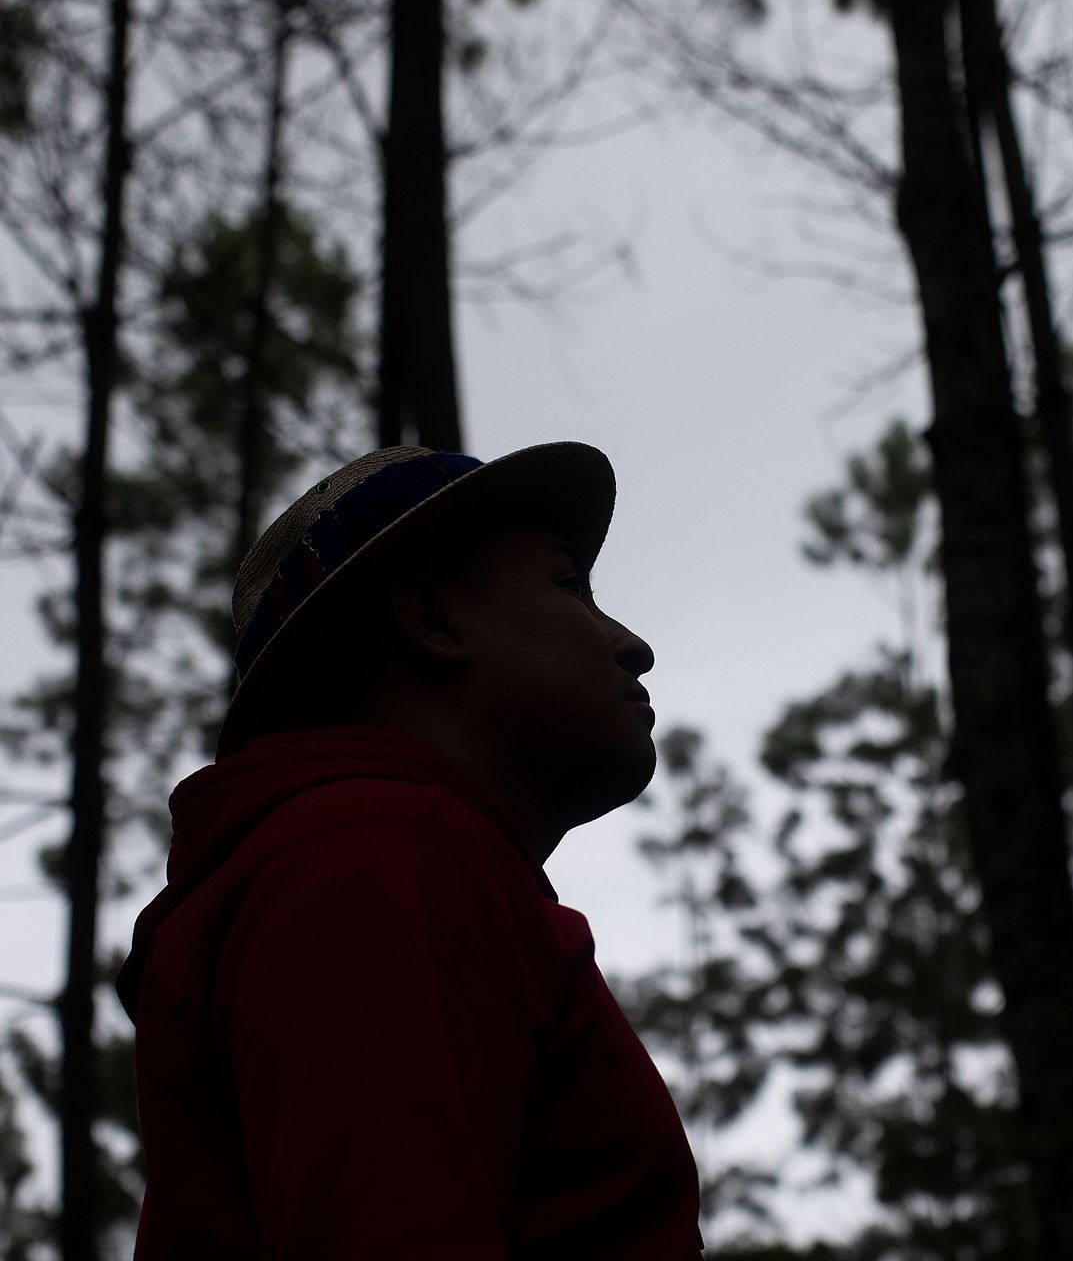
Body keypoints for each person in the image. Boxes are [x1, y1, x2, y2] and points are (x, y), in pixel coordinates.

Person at [114, 442, 706, 1259]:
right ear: (432, 620)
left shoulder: (373, 858)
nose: (632, 644)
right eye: (570, 585)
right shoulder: (376, 856)